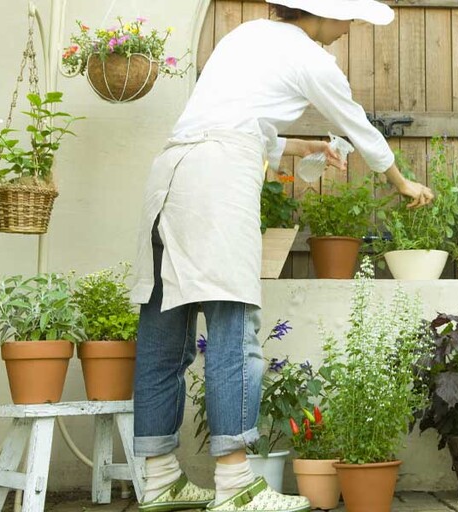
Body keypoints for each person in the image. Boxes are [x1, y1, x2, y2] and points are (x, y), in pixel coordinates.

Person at [130, 1, 433, 511]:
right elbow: (358, 125)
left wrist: (296, 149)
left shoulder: (246, 35)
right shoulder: (312, 58)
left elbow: (234, 120)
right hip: (218, 181)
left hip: (171, 174)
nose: (348, 28)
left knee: (164, 333)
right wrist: (401, 182)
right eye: (350, 19)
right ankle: (235, 485)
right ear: (324, 13)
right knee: (233, 328)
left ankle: (159, 476)